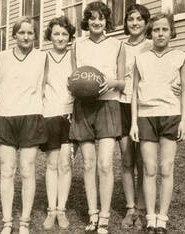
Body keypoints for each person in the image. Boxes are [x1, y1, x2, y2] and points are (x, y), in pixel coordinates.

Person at [130, 13, 185, 234]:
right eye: (156, 30)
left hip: (171, 115)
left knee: (166, 168)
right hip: (146, 117)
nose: (160, 34)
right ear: (150, 32)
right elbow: (134, 92)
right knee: (150, 168)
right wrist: (134, 123)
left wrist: (183, 120)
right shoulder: (140, 59)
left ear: (171, 32)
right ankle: (150, 218)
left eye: (165, 29)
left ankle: (162, 218)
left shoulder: (180, 56)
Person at [69, 1, 125, 233]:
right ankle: (92, 215)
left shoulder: (117, 45)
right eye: (92, 18)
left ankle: (105, 216)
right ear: (86, 21)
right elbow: (72, 79)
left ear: (106, 21)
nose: (96, 22)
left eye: (101, 18)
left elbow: (123, 82)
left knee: (104, 164)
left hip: (108, 106)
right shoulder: (77, 45)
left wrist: (110, 82)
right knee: (89, 164)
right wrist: (74, 85)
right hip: (83, 106)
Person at [0, 16, 47, 234]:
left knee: (27, 169)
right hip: (6, 118)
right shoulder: (1, 57)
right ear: (14, 35)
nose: (26, 36)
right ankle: (7, 222)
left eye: (30, 33)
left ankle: (24, 221)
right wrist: (10, 105)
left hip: (31, 117)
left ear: (35, 35)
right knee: (7, 170)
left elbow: (43, 86)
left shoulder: (42, 58)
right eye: (21, 32)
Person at [41, 16, 76, 230]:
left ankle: (61, 210)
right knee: (51, 164)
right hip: (49, 115)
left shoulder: (74, 56)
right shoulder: (43, 58)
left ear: (70, 36)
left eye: (64, 34)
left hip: (70, 115)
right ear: (50, 36)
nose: (60, 38)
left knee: (65, 164)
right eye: (56, 33)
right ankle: (50, 211)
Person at [118, 4, 151, 230]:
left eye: (139, 19)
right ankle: (130, 208)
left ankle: (141, 208)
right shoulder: (120, 47)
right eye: (131, 19)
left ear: (146, 22)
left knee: (143, 160)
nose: (135, 23)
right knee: (127, 159)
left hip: (145, 106)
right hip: (121, 104)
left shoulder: (152, 44)